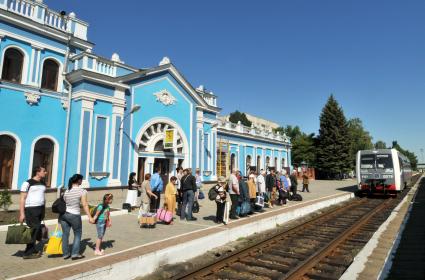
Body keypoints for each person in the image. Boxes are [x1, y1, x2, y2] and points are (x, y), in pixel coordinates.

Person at [60, 174, 94, 260]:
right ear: (79, 180)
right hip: (74, 215)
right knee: (77, 234)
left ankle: (65, 254)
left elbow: (64, 203)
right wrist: (90, 217)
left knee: (65, 235)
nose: (82, 181)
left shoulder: (66, 191)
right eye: (81, 180)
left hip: (64, 215)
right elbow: (85, 204)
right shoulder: (82, 191)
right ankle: (75, 254)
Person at [19, 166, 47, 259]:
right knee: (33, 230)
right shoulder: (27, 183)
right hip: (31, 209)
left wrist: (44, 210)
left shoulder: (43, 183)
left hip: (40, 208)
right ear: (37, 172)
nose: (45, 172)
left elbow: (43, 196)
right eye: (44, 171)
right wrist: (22, 213)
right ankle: (28, 253)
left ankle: (32, 249)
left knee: (37, 230)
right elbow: (22, 198)